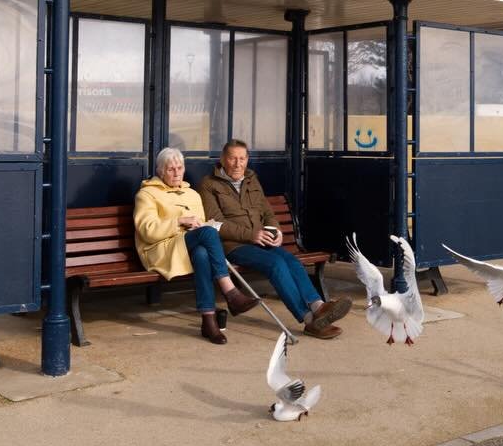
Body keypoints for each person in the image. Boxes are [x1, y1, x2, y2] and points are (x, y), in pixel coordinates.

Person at [198, 139, 352, 338]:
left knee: (292, 261)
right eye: (233, 158)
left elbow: (267, 213)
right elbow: (215, 223)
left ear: (247, 159)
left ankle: (319, 307)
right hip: (233, 245)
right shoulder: (209, 184)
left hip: (261, 241)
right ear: (222, 159)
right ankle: (308, 320)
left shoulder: (252, 179)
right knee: (276, 264)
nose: (238, 164)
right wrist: (251, 235)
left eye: (242, 158)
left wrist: (276, 231)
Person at [133, 147, 259, 345]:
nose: (176, 173)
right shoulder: (146, 194)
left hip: (188, 246)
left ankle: (209, 320)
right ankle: (231, 292)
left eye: (180, 168)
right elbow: (147, 231)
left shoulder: (192, 194)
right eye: (171, 169)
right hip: (161, 248)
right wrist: (179, 221)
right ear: (160, 171)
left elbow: (200, 225)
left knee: (202, 254)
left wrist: (202, 225)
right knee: (207, 235)